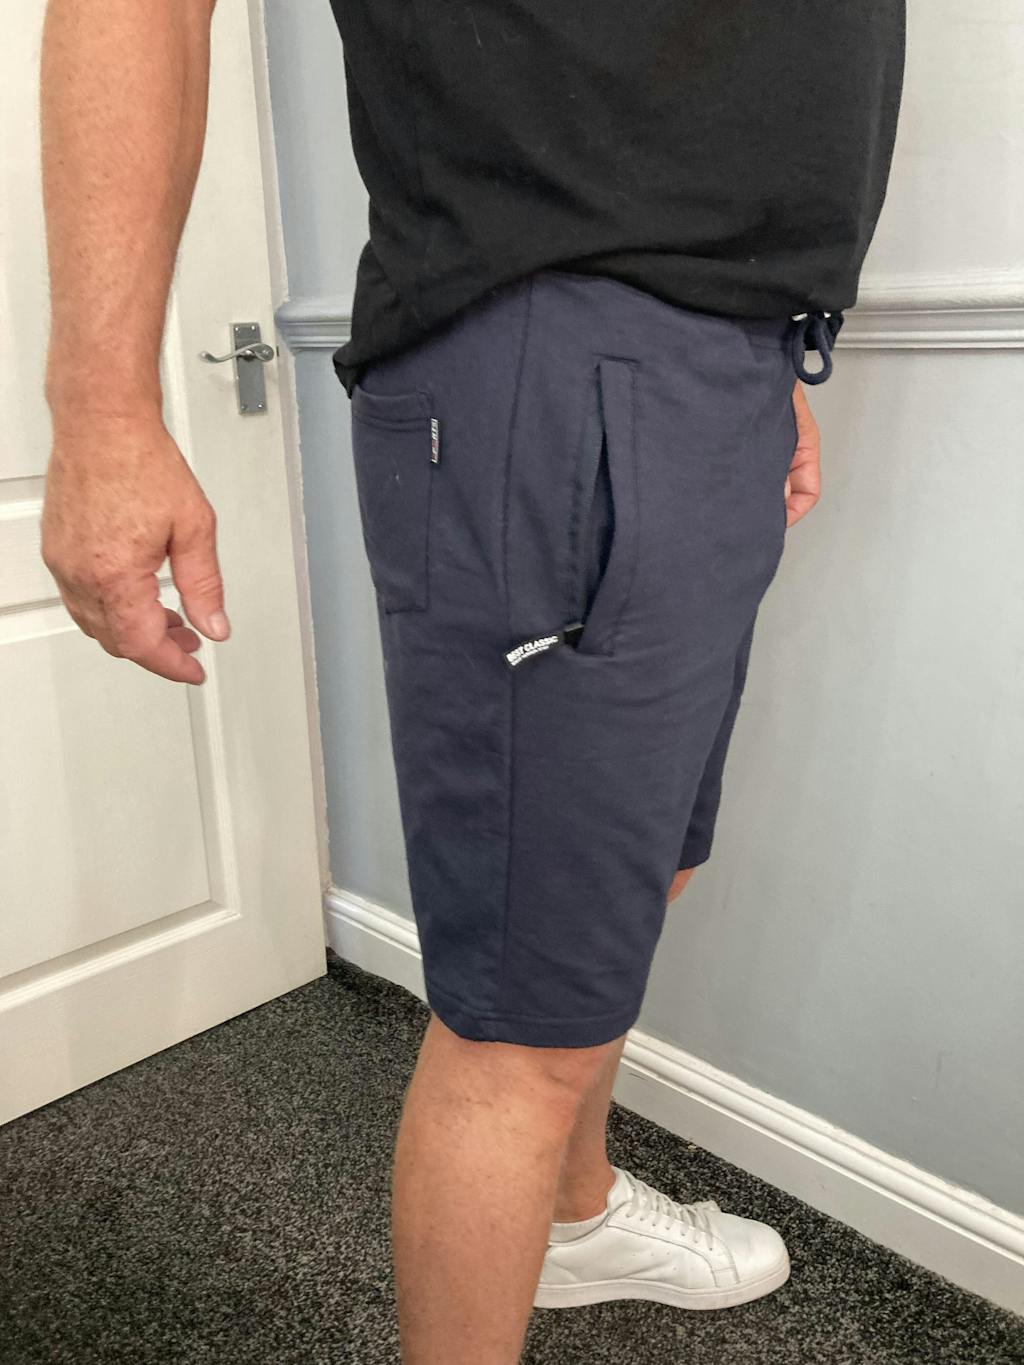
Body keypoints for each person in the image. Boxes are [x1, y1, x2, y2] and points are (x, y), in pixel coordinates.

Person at [39, 1, 905, 1361]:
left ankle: (574, 1213)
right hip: (556, 352)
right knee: (515, 1020)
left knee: (641, 877)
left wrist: (742, 341)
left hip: (712, 349)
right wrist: (102, 408)